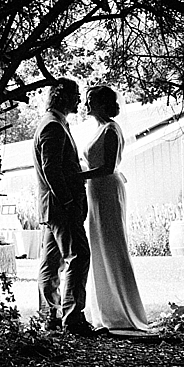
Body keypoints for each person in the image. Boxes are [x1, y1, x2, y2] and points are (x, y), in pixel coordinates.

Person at [79, 86, 151, 333]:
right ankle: (107, 309)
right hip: (96, 191)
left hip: (106, 189)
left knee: (112, 244)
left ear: (100, 104)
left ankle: (123, 310)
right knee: (99, 246)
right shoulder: (99, 129)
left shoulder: (110, 130)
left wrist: (76, 176)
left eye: (90, 100)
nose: (85, 104)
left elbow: (107, 167)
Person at [33, 78, 98, 336]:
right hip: (61, 206)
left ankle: (48, 317)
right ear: (62, 97)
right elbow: (52, 170)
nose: (80, 100)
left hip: (53, 207)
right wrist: (70, 201)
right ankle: (72, 319)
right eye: (76, 95)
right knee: (78, 255)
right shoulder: (53, 127)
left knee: (50, 262)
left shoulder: (54, 123)